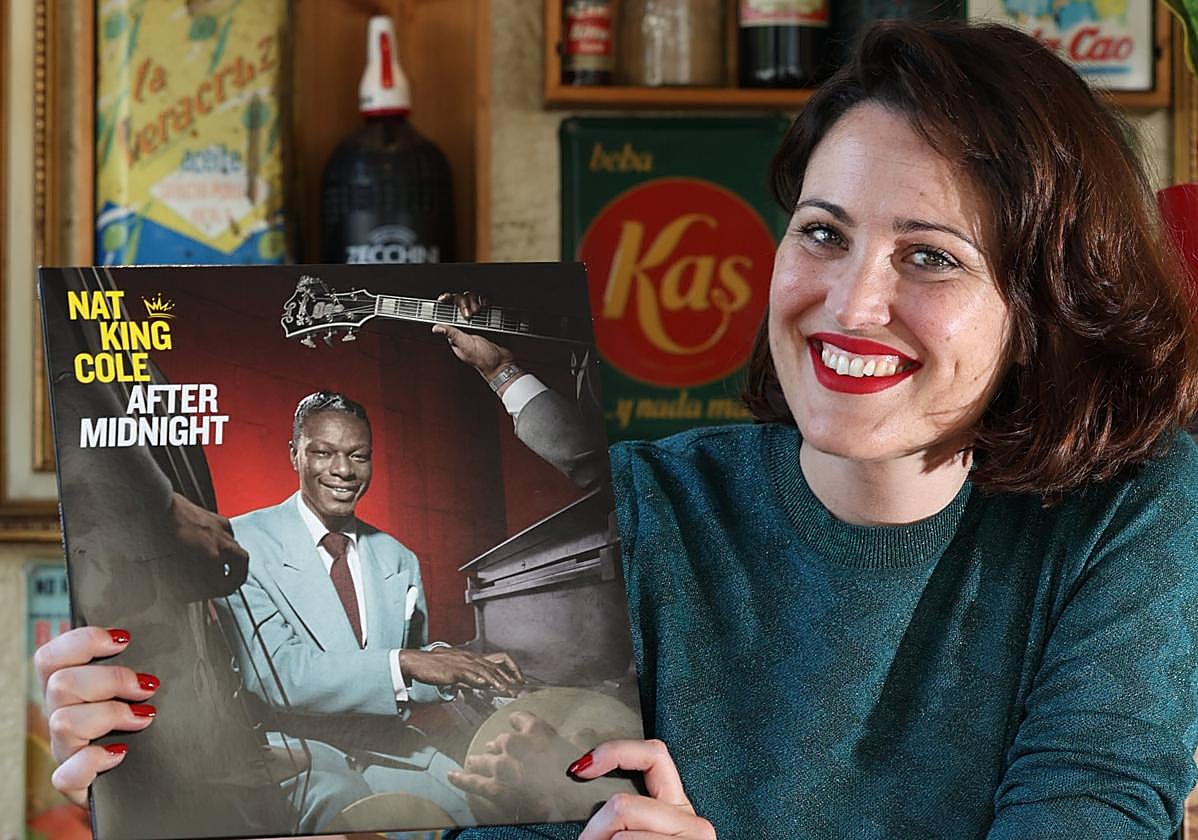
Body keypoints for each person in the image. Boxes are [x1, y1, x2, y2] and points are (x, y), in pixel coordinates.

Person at [34, 18, 1198, 839]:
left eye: (929, 257)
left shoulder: (1132, 510)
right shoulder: (635, 510)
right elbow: (486, 815)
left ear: (1044, 302)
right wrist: (173, 766)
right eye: (823, 232)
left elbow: (1093, 806)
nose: (849, 304)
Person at [212, 389, 528, 829]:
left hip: (389, 745)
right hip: (293, 750)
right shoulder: (239, 543)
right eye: (323, 453)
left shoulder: (399, 558)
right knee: (355, 819)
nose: (343, 470)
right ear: (294, 455)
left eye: (359, 456)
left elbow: (405, 677)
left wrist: (460, 668)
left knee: (475, 812)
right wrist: (409, 663)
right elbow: (275, 674)